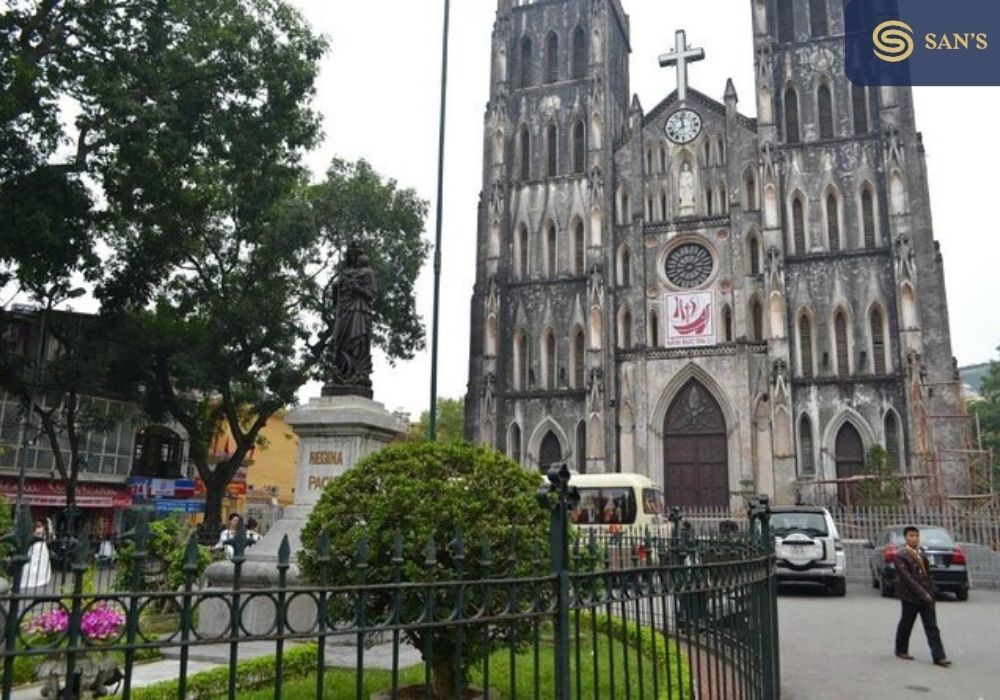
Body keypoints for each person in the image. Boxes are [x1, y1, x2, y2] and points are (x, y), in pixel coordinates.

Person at [894, 526, 951, 667]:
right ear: (905, 538)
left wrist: (931, 591)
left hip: (927, 595)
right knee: (906, 623)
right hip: (910, 596)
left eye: (916, 536)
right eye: (911, 536)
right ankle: (901, 649)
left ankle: (939, 656)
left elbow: (927, 574)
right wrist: (922, 593)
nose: (914, 538)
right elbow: (907, 578)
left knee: (931, 626)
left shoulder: (922, 553)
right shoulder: (901, 555)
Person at [20, 519, 52, 591]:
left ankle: (40, 577)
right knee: (31, 561)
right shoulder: (33, 530)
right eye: (37, 524)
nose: (38, 525)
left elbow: (45, 538)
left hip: (41, 546)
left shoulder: (44, 530)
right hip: (34, 546)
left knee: (41, 562)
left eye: (40, 524)